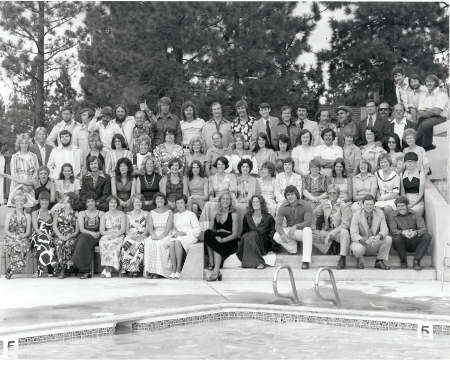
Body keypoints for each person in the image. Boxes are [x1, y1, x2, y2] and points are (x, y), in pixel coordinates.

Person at [311, 185, 352, 270]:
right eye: (330, 193)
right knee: (311, 235)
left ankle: (342, 259)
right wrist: (314, 228)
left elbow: (345, 224)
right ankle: (331, 246)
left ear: (338, 194)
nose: (332, 195)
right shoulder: (325, 203)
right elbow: (314, 213)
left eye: (334, 193)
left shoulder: (344, 206)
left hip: (338, 233)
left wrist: (331, 233)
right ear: (327, 195)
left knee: (345, 232)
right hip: (328, 230)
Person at [273, 185, 313, 269]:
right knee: (276, 235)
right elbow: (277, 224)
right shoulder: (283, 207)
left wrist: (297, 226)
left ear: (296, 194)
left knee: (308, 230)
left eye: (292, 194)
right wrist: (282, 234)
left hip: (302, 232)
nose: (290, 197)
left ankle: (306, 260)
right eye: (288, 195)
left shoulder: (306, 205)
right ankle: (293, 248)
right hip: (291, 231)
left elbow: (308, 222)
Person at [66, 191, 104, 279]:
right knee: (83, 238)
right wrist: (91, 233)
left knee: (82, 239)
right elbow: (82, 229)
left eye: (92, 201)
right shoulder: (82, 213)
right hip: (87, 234)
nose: (90, 203)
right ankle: (86, 271)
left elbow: (101, 230)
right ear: (85, 203)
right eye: (88, 201)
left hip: (98, 235)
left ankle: (75, 261)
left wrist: (96, 233)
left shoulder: (101, 213)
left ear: (96, 202)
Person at [389, 196, 432, 271]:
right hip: (401, 244)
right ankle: (403, 260)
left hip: (414, 242)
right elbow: (393, 230)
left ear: (407, 205)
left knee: (427, 236)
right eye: (398, 206)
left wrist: (415, 232)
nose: (400, 208)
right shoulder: (393, 215)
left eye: (402, 206)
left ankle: (417, 261)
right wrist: (403, 232)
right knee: (396, 237)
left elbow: (423, 228)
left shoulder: (415, 214)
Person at [350, 194, 392, 270]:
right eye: (367, 204)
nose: (369, 206)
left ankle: (379, 261)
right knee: (357, 249)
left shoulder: (380, 213)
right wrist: (366, 240)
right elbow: (354, 235)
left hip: (374, 242)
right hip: (361, 243)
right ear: (362, 204)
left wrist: (377, 237)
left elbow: (385, 229)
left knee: (388, 239)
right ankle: (360, 260)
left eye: (371, 204)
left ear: (374, 204)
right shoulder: (356, 215)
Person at [204, 191, 239, 281]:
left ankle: (215, 269)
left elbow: (235, 235)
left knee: (217, 241)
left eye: (228, 199)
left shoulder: (234, 215)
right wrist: (219, 231)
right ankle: (212, 262)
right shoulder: (215, 213)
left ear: (231, 201)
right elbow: (210, 231)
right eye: (223, 199)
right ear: (219, 201)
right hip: (218, 238)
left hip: (229, 241)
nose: (225, 201)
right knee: (207, 233)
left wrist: (223, 239)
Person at [236, 195, 276, 269]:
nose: (255, 203)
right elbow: (244, 232)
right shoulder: (247, 217)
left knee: (253, 234)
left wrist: (272, 249)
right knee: (247, 235)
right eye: (253, 202)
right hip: (250, 242)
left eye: (257, 201)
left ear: (262, 203)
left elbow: (272, 233)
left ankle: (254, 262)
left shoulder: (269, 217)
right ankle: (257, 262)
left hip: (263, 245)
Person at [170, 194, 201, 279]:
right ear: (175, 204)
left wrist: (186, 233)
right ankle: (174, 269)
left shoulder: (191, 214)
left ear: (185, 204)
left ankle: (179, 269)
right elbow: (173, 229)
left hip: (191, 236)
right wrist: (175, 234)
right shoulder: (174, 215)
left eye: (181, 203)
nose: (179, 205)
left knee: (177, 241)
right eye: (178, 203)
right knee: (172, 242)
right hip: (179, 236)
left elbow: (197, 230)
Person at [144, 192, 174, 279]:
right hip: (155, 232)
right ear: (155, 201)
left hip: (166, 233)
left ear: (165, 201)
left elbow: (169, 226)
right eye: (157, 199)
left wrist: (162, 236)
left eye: (161, 199)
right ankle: (150, 271)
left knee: (159, 244)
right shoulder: (151, 213)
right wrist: (152, 235)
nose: (159, 200)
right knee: (149, 243)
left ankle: (158, 272)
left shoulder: (169, 212)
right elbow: (150, 227)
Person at [7, 133, 40, 210]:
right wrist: (22, 186)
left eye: (26, 143)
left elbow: (36, 171)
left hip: (30, 186)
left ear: (29, 144)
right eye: (22, 143)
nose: (24, 145)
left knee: (29, 209)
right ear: (19, 144)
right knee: (18, 208)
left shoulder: (33, 156)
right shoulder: (15, 156)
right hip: (18, 185)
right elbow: (14, 173)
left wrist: (30, 185)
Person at [417, 74, 449, 151]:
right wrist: (431, 110)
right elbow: (420, 112)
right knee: (416, 134)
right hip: (427, 117)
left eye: (432, 81)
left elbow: (438, 111)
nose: (429, 83)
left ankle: (428, 146)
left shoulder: (442, 94)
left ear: (436, 83)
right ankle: (419, 148)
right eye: (427, 81)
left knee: (425, 125)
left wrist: (426, 110)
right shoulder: (424, 95)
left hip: (440, 117)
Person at [3, 193, 32, 279]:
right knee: (14, 244)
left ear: (24, 202)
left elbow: (28, 232)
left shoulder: (27, 216)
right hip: (11, 237)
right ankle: (14, 267)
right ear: (14, 202)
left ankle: (10, 268)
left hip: (23, 237)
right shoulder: (9, 215)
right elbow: (6, 230)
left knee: (21, 244)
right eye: (17, 201)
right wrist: (14, 237)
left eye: (21, 201)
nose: (19, 202)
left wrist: (21, 237)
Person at [30, 191, 58, 277]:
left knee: (43, 244)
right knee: (43, 240)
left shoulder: (53, 213)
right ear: (39, 201)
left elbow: (54, 228)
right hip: (37, 236)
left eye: (46, 200)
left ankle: (40, 272)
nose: (44, 202)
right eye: (42, 200)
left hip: (49, 237)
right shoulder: (35, 213)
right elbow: (35, 228)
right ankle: (52, 263)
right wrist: (46, 236)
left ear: (49, 201)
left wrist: (51, 235)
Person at [120, 194, 148, 277]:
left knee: (140, 245)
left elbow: (147, 229)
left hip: (142, 235)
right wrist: (131, 235)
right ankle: (129, 269)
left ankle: (135, 269)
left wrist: (142, 235)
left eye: (139, 202)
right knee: (127, 243)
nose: (138, 204)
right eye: (136, 202)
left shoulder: (147, 214)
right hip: (131, 235)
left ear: (142, 203)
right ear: (133, 203)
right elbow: (126, 229)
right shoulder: (128, 214)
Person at [98, 195, 126, 278]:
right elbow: (102, 231)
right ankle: (107, 269)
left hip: (119, 235)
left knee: (113, 244)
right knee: (103, 242)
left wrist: (115, 235)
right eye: (111, 202)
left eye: (115, 202)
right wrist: (110, 235)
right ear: (108, 204)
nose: (113, 204)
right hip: (107, 234)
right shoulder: (104, 215)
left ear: (117, 204)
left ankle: (107, 270)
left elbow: (123, 229)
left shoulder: (121, 214)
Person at [53, 192, 80, 279]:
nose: (63, 201)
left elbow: (77, 231)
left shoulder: (76, 214)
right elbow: (54, 226)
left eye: (66, 199)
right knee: (59, 242)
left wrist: (70, 236)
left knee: (68, 243)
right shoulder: (58, 211)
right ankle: (63, 269)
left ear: (71, 201)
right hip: (59, 233)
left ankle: (68, 267)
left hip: (70, 235)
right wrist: (60, 235)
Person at [374, 154, 400, 220]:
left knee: (387, 208)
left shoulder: (396, 176)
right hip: (381, 197)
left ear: (389, 163)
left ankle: (389, 226)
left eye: (385, 162)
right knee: (377, 208)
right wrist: (378, 197)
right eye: (381, 162)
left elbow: (395, 194)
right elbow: (376, 188)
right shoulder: (377, 174)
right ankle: (381, 227)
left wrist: (383, 199)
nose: (383, 164)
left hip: (392, 198)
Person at [401, 152, 426, 217]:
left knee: (413, 212)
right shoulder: (402, 174)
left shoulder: (421, 174)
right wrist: (407, 203)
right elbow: (402, 192)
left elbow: (421, 193)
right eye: (407, 161)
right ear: (405, 163)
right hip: (406, 200)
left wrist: (413, 203)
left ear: (416, 162)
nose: (410, 164)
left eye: (412, 161)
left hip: (417, 201)